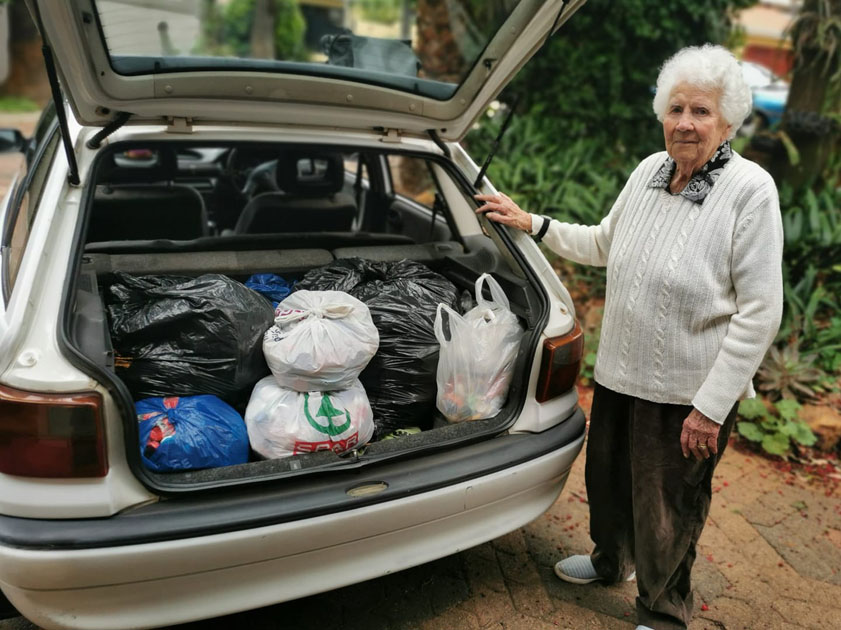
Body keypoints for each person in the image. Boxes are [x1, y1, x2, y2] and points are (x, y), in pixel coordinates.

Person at [474, 44, 783, 630]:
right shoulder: (649, 171)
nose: (685, 123)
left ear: (728, 121)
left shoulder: (750, 191)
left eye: (701, 112)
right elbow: (602, 243)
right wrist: (531, 222)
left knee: (669, 507)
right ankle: (611, 560)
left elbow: (761, 312)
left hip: (688, 395)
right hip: (621, 374)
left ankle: (663, 611)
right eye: (676, 109)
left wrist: (711, 409)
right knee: (610, 483)